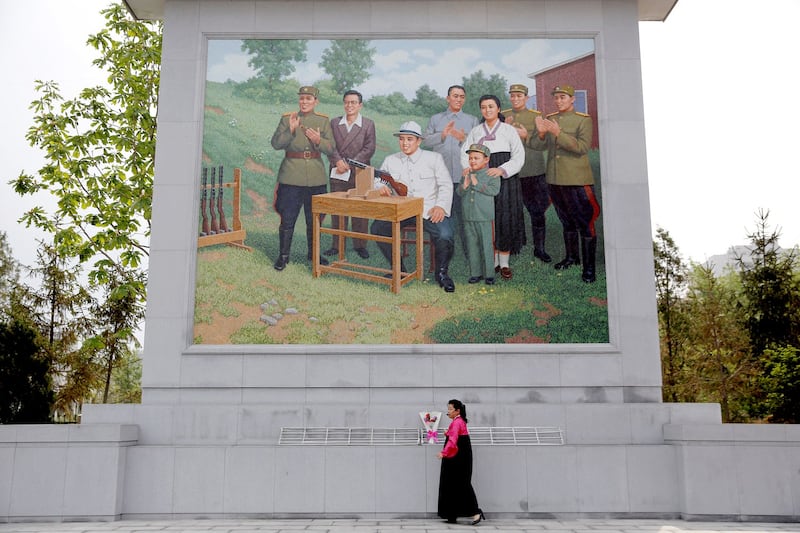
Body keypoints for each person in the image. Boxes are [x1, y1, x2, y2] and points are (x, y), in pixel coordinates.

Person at [369, 121, 456, 293]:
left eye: (409, 139)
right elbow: (377, 180)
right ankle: (399, 271)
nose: (405, 143)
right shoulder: (390, 160)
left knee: (445, 235)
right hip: (401, 211)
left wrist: (440, 206)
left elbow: (446, 185)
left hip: (428, 210)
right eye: (402, 139)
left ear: (419, 141)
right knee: (378, 228)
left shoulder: (434, 159)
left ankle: (442, 274)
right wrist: (381, 187)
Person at [528, 84, 600, 283]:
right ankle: (571, 257)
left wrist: (559, 133)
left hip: (576, 180)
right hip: (555, 179)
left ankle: (589, 268)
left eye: (563, 97)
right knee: (566, 221)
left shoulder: (583, 120)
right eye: (556, 98)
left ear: (572, 99)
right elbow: (536, 145)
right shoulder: (551, 119)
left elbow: (582, 147)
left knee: (585, 223)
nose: (559, 101)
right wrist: (542, 133)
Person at [270, 85, 335, 271]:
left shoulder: (323, 121)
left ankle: (313, 253)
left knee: (314, 218)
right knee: (287, 218)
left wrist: (318, 141)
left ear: (316, 101)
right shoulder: (287, 119)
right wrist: (290, 130)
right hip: (291, 175)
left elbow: (331, 148)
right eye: (302, 98)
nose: (304, 102)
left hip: (315, 176)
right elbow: (275, 144)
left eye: (308, 99)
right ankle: (283, 256)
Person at [461, 94, 525, 280]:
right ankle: (492, 260)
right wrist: (469, 168)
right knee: (487, 218)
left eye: (491, 106)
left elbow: (519, 156)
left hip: (504, 178)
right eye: (483, 107)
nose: (487, 110)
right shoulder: (476, 131)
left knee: (503, 217)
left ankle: (504, 263)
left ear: (498, 109)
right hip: (481, 178)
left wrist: (501, 170)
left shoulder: (508, 130)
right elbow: (465, 154)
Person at [423, 85, 480, 257]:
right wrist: (442, 135)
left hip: (464, 178)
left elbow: (478, 148)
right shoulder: (436, 119)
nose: (458, 99)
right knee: (440, 216)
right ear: (448, 98)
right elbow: (425, 141)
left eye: (462, 96)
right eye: (455, 96)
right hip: (440, 179)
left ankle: (469, 253)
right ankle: (442, 252)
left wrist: (464, 139)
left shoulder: (472, 120)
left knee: (465, 218)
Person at [324, 89, 376, 260]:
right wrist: (337, 161)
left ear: (360, 105)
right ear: (343, 104)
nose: (350, 105)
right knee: (338, 209)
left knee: (360, 209)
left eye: (353, 102)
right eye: (347, 102)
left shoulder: (368, 124)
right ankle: (336, 245)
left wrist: (349, 163)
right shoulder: (334, 123)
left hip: (359, 172)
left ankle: (360, 245)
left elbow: (369, 148)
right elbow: (330, 146)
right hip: (338, 171)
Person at [503, 83, 551, 263]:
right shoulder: (503, 116)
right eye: (513, 96)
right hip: (511, 173)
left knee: (537, 212)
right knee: (513, 212)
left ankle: (540, 248)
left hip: (533, 171)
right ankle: (516, 245)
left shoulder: (536, 116)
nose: (515, 99)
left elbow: (543, 145)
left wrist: (526, 136)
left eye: (519, 96)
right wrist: (503, 128)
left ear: (526, 98)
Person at [457, 144, 501, 285]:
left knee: (487, 245)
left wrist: (476, 184)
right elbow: (459, 192)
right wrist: (465, 184)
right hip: (468, 215)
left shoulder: (491, 174)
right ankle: (475, 273)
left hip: (484, 217)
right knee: (472, 245)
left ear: (486, 160)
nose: (473, 161)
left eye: (476, 158)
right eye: (470, 158)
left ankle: (489, 274)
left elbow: (494, 191)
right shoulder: (466, 173)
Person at [437, 399, 484, 525]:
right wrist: (448, 433)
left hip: (457, 457)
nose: (448, 412)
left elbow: (453, 441)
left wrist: (443, 453)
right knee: (455, 483)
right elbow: (455, 436)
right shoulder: (458, 422)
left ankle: (475, 512)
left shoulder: (457, 422)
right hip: (460, 456)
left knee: (459, 483)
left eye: (450, 409)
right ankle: (451, 514)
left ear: (457, 410)